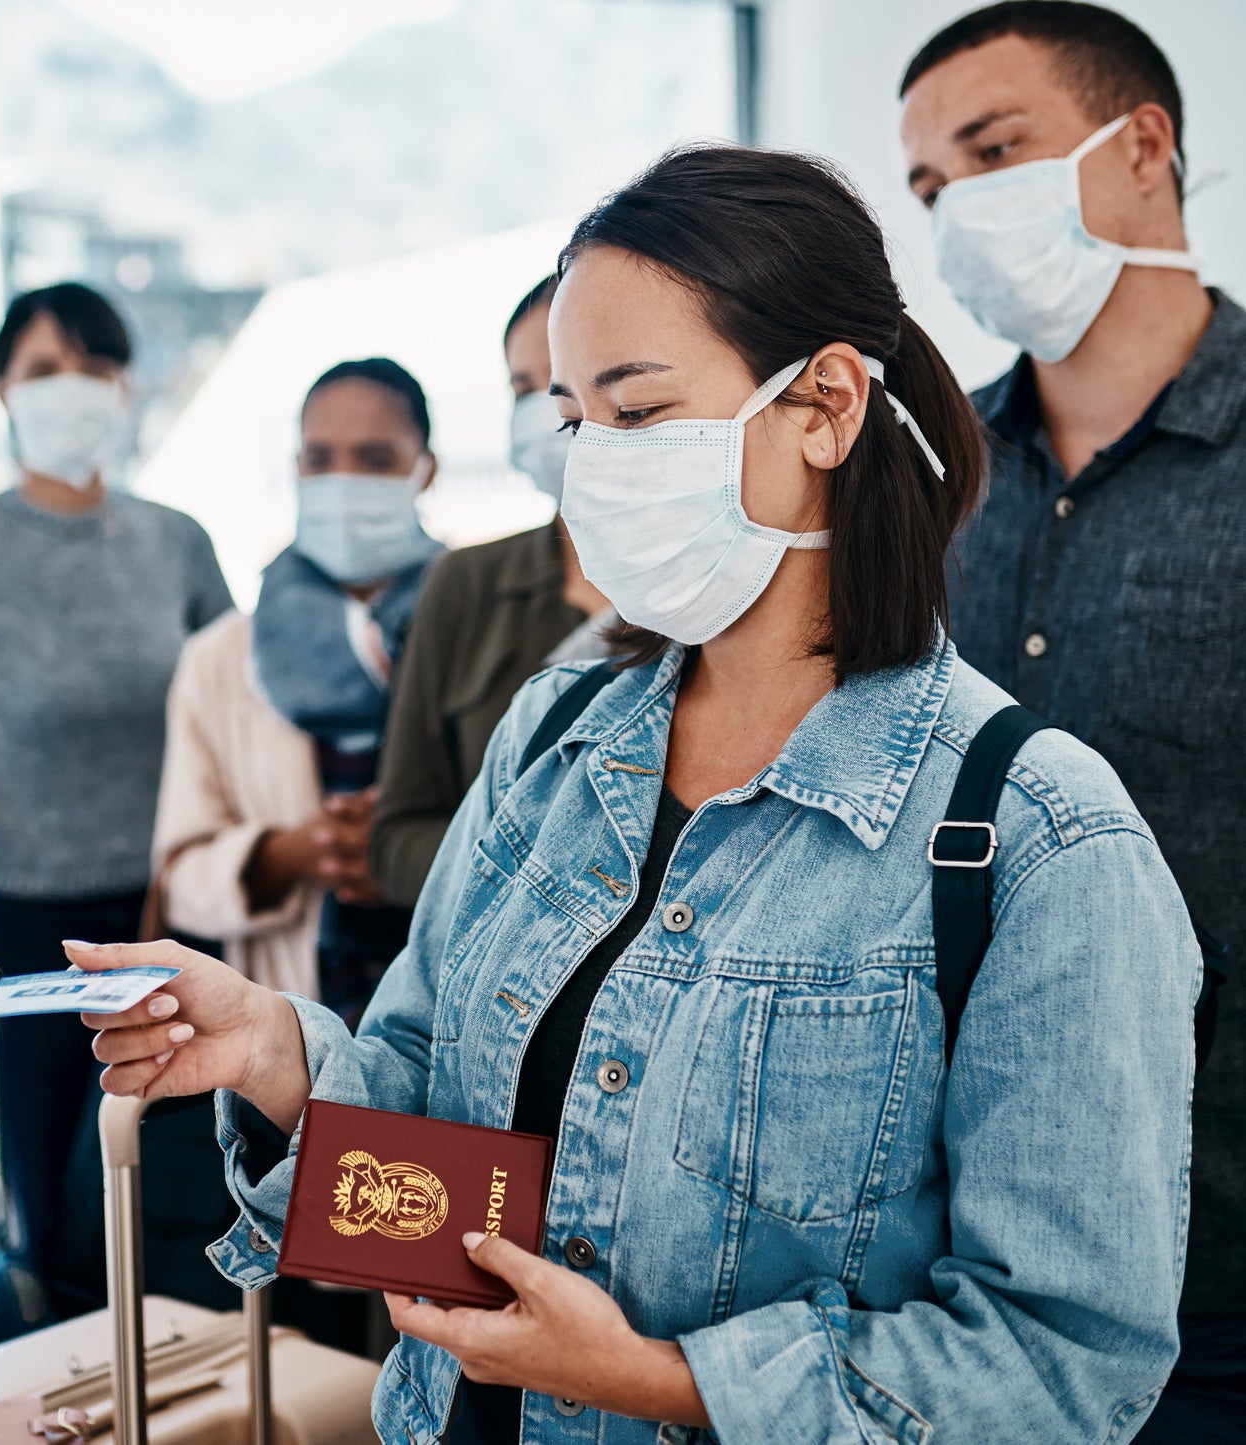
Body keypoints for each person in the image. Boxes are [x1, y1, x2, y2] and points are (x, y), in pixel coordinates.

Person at [73, 144, 1199, 1442]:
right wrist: (285, 1066)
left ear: (825, 405)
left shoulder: (1034, 841)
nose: (590, 464)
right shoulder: (550, 743)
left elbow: (1064, 1365)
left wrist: (655, 1381)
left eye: (639, 412)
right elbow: (451, 1206)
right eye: (569, 420)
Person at [898, 5, 1245, 1435]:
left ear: (1139, 147)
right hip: (938, 1232)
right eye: (927, 189)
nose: (959, 211)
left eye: (992, 152)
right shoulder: (925, 483)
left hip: (1210, 1235)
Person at [0, 281, 232, 1306]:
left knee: (180, 1194)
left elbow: (226, 716)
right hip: (27, 928)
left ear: (124, 389)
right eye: (40, 369)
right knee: (60, 1218)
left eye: (91, 367)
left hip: (174, 912)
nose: (68, 390)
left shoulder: (176, 542)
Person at [152, 357, 444, 1018]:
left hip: (458, 1007)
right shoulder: (221, 657)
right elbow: (180, 881)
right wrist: (293, 852)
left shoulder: (482, 629)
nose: (342, 482)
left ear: (427, 470)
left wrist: (414, 851)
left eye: (374, 458)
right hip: (292, 1010)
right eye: (319, 459)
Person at [370, 275, 613, 908]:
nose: (550, 413)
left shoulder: (705, 586)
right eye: (526, 389)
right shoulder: (465, 584)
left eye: (566, 380)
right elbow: (395, 838)